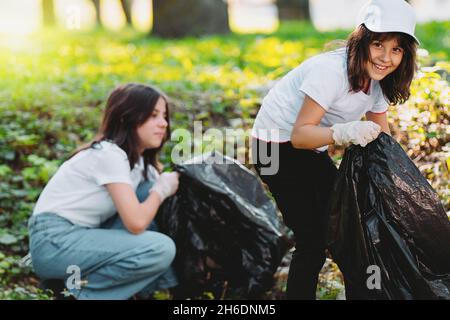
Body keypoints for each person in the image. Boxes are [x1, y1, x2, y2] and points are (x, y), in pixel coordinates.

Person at [251, 0, 419, 299]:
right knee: (313, 238)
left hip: (310, 149)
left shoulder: (379, 79)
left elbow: (382, 135)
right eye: (379, 44)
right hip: (273, 149)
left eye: (397, 49)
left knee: (351, 229)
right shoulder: (331, 71)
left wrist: (396, 188)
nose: (386, 57)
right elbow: (301, 136)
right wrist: (345, 132)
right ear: (362, 39)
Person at [28, 83, 180, 300]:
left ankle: (154, 292)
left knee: (147, 192)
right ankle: (77, 295)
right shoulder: (109, 154)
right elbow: (136, 223)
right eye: (153, 115)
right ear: (126, 117)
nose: (163, 123)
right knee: (160, 248)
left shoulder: (139, 166)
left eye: (164, 116)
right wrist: (161, 190)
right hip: (54, 241)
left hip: (83, 237)